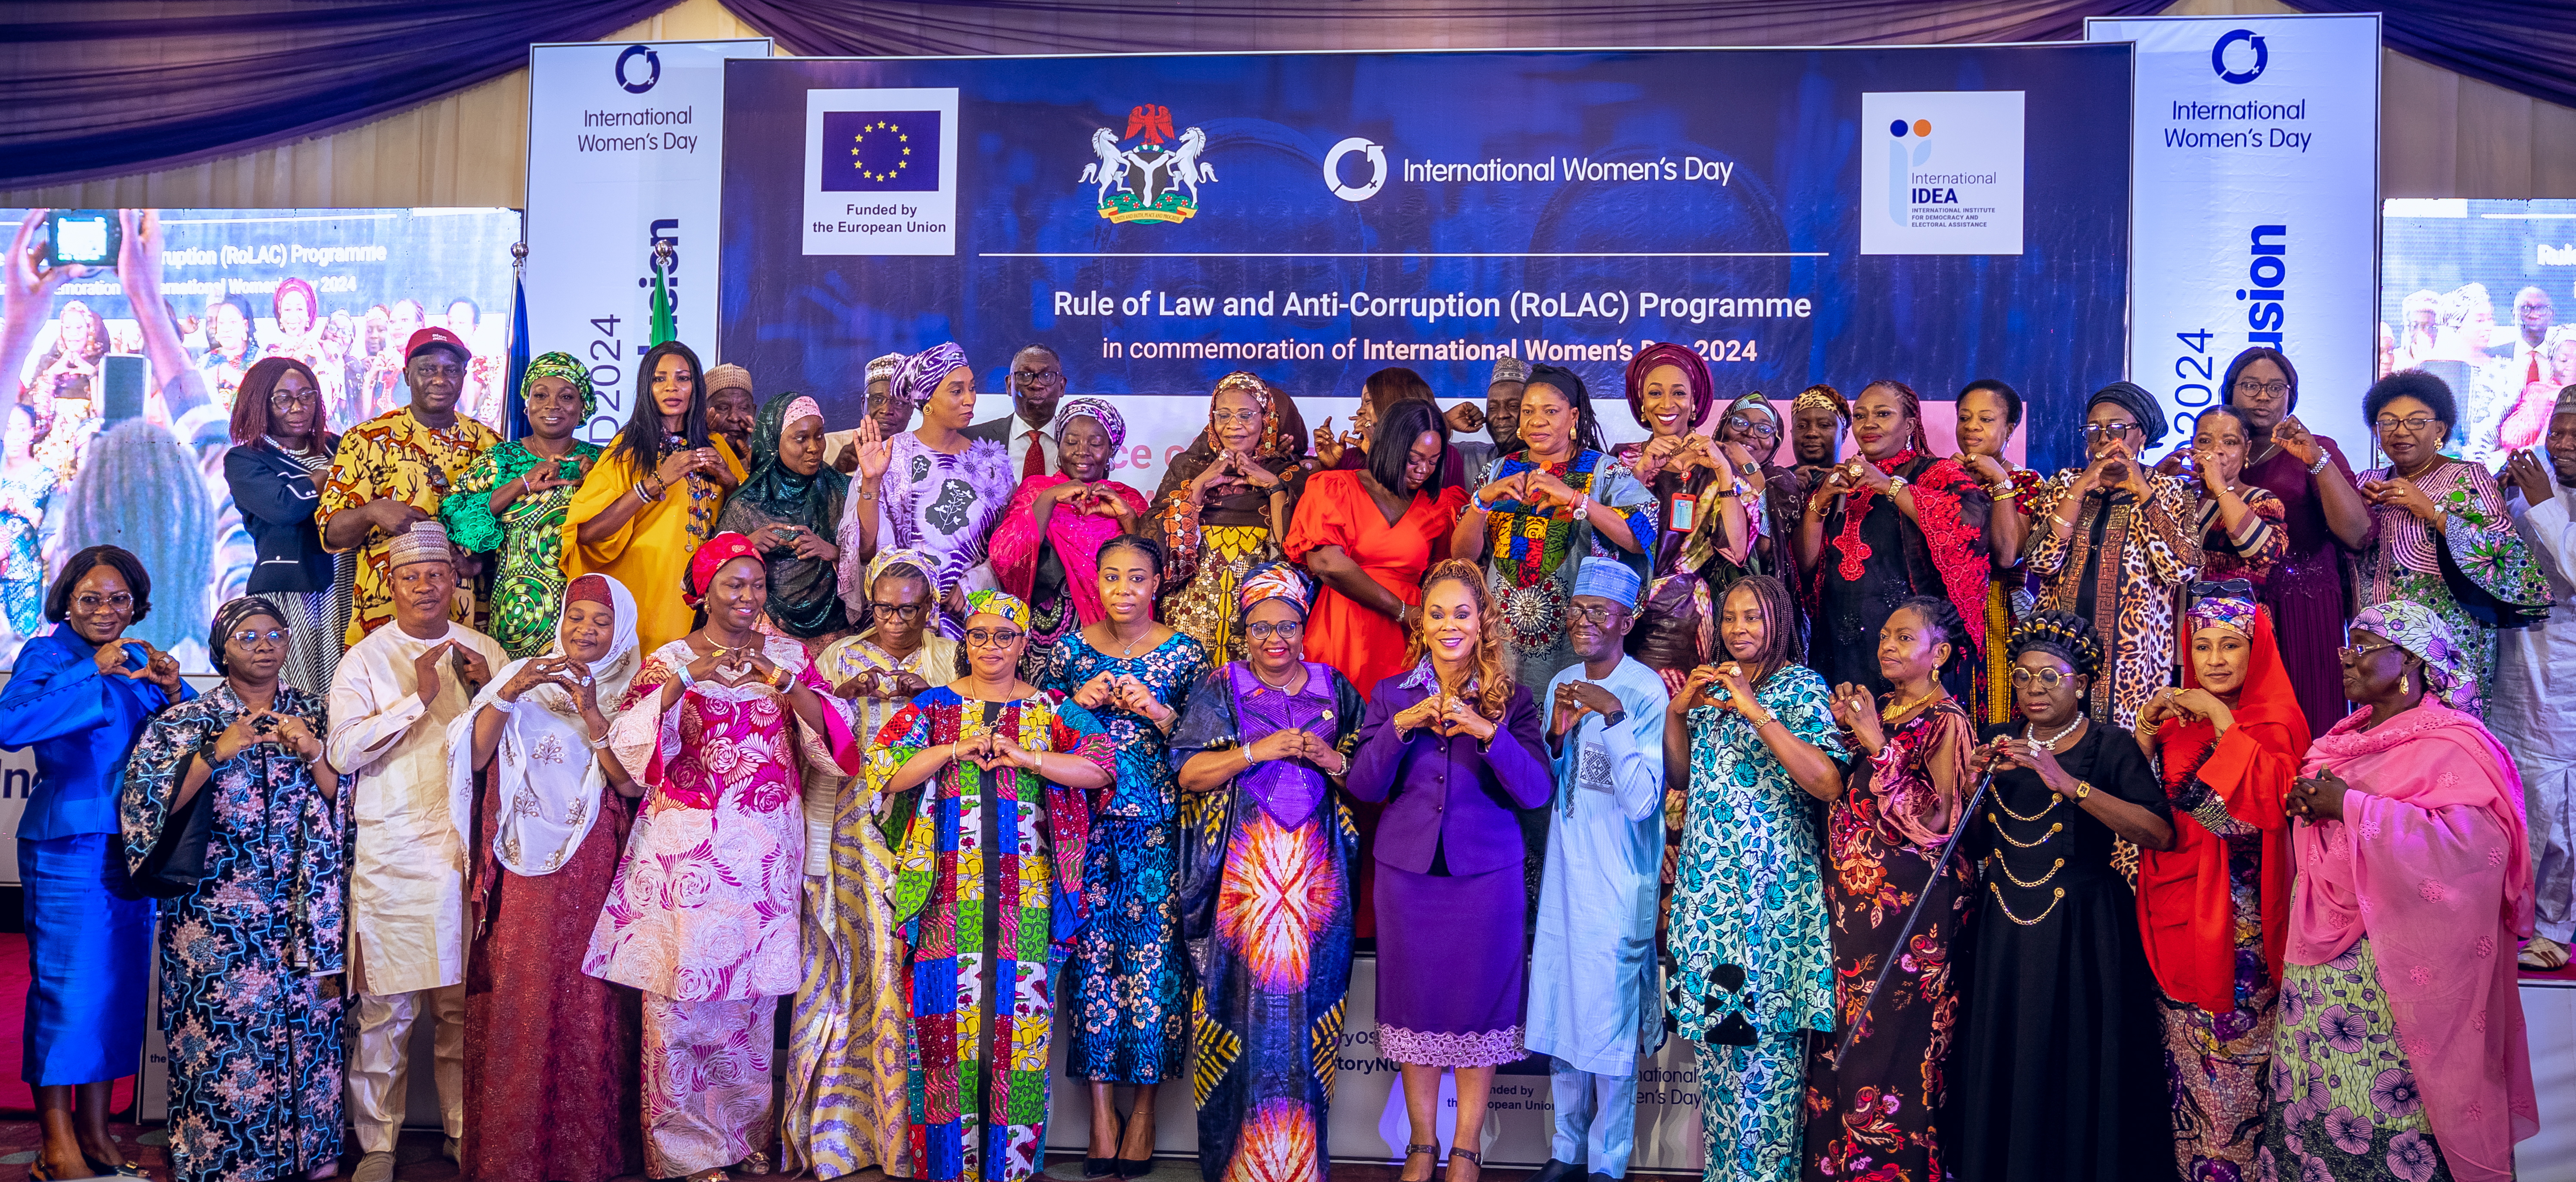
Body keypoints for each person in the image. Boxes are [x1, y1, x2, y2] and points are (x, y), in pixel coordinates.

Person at [583, 533, 864, 1182]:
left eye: (757, 585)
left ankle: (743, 1137)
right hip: (690, 852)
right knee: (683, 1000)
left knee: (750, 1003)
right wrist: (686, 681)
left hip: (766, 852)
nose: (747, 597)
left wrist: (787, 684)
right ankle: (684, 1153)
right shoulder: (672, 658)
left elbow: (837, 741)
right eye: (734, 585)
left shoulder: (788, 655)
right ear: (703, 591)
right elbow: (629, 749)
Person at [2263, 602, 2538, 1182]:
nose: (2346, 658)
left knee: (2383, 1112)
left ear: (2408, 660)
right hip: (2320, 971)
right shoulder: (2338, 742)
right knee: (2318, 1099)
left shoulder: (2455, 745)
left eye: (2361, 646)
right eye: (2347, 645)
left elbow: (2474, 854)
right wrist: (2310, 809)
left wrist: (2348, 807)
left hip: (2392, 979)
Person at [867, 590, 1116, 1182]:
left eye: (1003, 636)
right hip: (942, 897)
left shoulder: (1054, 711)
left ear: (1023, 642)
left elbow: (1101, 767)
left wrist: (1027, 758)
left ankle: (1010, 1170)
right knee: (942, 1037)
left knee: (1018, 1043)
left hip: (1027, 897)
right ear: (965, 643)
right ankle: (947, 1170)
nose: (990, 647)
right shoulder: (932, 708)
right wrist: (952, 749)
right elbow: (884, 770)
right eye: (978, 636)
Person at [118, 596, 346, 1182]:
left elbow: (349, 806)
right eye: (248, 636)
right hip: (216, 921)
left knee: (310, 1032)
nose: (265, 644)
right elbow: (147, 808)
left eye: (275, 633)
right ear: (220, 650)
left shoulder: (318, 714)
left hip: (302, 912)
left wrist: (314, 751)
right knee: (222, 1042)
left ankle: (311, 1152)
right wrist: (217, 752)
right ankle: (221, 1159)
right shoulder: (185, 722)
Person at [1345, 560, 1554, 1182]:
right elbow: (1362, 783)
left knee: (1477, 1007)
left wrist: (1487, 732)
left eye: (1461, 613)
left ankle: (1465, 1150)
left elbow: (1537, 792)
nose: (1448, 625)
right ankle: (1420, 1145)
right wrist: (1403, 727)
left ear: (1482, 621)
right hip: (1406, 876)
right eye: (1436, 613)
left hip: (1485, 878)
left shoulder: (1511, 701)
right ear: (1423, 624)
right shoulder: (1390, 695)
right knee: (1413, 1003)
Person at [1952, 611, 2175, 1182]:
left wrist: (2067, 782)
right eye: (2023, 677)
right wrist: (1970, 789)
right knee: (2011, 1056)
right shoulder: (1998, 741)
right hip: (2004, 924)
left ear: (2081, 681)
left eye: (2049, 677)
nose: (2033, 690)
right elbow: (1976, 846)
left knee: (2075, 1059)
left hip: (2081, 928)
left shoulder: (2109, 745)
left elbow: (2157, 833)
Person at [1168, 564, 1363, 1182]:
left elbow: (1368, 772)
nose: (1274, 639)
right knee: (1232, 1012)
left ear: (1304, 626)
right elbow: (1188, 773)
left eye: (1286, 625)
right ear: (1242, 632)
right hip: (1240, 888)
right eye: (1260, 628)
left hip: (1316, 887)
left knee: (1313, 1017)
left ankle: (1301, 1166)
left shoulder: (1337, 688)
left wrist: (1331, 756)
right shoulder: (1218, 688)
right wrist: (1258, 750)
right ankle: (1237, 1166)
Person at [325, 520, 507, 1182]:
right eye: (410, 576)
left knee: (461, 1013)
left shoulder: (483, 650)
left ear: (454, 581)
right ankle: (377, 1145)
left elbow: (509, 757)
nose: (425, 586)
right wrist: (416, 700)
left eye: (436, 574)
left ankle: (463, 1134)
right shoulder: (366, 659)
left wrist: (491, 688)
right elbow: (342, 752)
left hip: (465, 861)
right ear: (392, 584)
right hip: (394, 857)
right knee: (386, 1012)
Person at [0, 546, 189, 1181]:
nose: (106, 612)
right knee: (68, 994)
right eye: (92, 600)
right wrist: (93, 672)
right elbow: (9, 724)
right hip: (68, 844)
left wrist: (172, 688)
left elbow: (184, 737)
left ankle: (99, 1135)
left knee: (116, 994)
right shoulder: (46, 655)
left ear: (136, 603)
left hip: (132, 847)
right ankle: (57, 1146)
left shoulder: (138, 657)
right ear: (67, 603)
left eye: (119, 600)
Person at [451, 574, 644, 1182]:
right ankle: (512, 1155)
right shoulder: (523, 674)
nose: (585, 630)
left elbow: (630, 784)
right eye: (576, 617)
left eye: (601, 621)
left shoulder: (635, 687)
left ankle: (581, 1157)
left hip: (594, 862)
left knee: (588, 997)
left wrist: (591, 713)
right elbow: (478, 758)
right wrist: (509, 693)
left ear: (623, 631)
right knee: (521, 993)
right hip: (521, 861)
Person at [1032, 534, 1208, 1173]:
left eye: (1137, 578)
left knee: (1154, 970)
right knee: (1091, 969)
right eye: (1112, 577)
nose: (1124, 589)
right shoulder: (1069, 652)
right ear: (1097, 582)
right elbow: (1037, 734)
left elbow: (1209, 742)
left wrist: (1159, 713)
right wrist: (1075, 705)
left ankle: (1144, 1113)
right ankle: (1101, 1116)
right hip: (1085, 828)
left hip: (1159, 828)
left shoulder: (1186, 655)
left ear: (1157, 583)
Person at [1660, 575, 1845, 1182]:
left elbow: (1825, 782)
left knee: (1766, 1071)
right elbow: (1682, 775)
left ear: (1779, 622)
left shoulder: (1799, 688)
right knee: (1722, 1064)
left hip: (1769, 912)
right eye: (1732, 619)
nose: (1740, 631)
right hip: (1713, 911)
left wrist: (1753, 709)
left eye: (1754, 619)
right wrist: (1680, 710)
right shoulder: (1713, 685)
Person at [783, 554, 954, 1182]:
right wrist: (838, 704)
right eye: (884, 608)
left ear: (928, 608)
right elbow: (809, 741)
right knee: (858, 963)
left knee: (917, 965)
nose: (895, 622)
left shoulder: (948, 658)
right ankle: (846, 1133)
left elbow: (972, 719)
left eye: (909, 610)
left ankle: (917, 1138)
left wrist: (929, 698)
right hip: (855, 829)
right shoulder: (838, 658)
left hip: (926, 827)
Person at [2134, 583, 2309, 1176]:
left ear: (2256, 649)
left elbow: (2234, 820)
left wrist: (2217, 719)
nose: (2213, 660)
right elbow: (2152, 820)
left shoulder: (2276, 724)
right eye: (2202, 645)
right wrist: (2141, 741)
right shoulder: (2173, 725)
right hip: (2177, 917)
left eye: (2230, 645)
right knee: (2186, 1084)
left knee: (2235, 1091)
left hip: (2242, 938)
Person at [1806, 596, 1977, 1182]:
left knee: (1892, 1049)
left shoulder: (1947, 721)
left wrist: (1878, 747)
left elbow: (1935, 825)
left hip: (1908, 914)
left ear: (1940, 654)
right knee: (1839, 1042)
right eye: (1883, 635)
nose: (1886, 645)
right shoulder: (1879, 708)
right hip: (1850, 906)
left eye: (1904, 638)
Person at [1524, 561, 1669, 1182]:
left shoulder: (1645, 691)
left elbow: (1640, 803)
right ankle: (1564, 1152)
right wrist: (1556, 740)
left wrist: (1612, 718)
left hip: (1616, 884)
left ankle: (1607, 1165)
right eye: (1577, 610)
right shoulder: (1561, 677)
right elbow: (1553, 789)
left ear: (1626, 622)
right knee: (1563, 1017)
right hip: (1565, 878)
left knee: (1608, 1032)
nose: (1583, 624)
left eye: (1598, 613)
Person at [2353, 370, 2550, 713]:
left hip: (2450, 649)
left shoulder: (2470, 478)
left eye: (2416, 421)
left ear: (2440, 430)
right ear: (2376, 430)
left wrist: (2432, 512)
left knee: (2446, 753)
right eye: (2389, 422)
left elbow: (2511, 562)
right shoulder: (2365, 483)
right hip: (2377, 653)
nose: (2401, 431)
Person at [1449, 364, 1655, 688]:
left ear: (1574, 417)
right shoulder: (1497, 471)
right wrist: (1482, 500)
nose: (1537, 420)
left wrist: (1577, 499)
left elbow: (1639, 536)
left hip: (1576, 640)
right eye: (1527, 410)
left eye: (1551, 411)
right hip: (1501, 646)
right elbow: (1463, 555)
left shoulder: (1605, 471)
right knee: (1503, 729)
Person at [1797, 380, 1991, 703]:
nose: (1869, 423)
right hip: (1837, 642)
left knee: (1907, 741)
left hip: (1909, 645)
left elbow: (1969, 528)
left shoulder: (1935, 473)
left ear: (1910, 424)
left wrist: (1889, 486)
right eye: (1860, 416)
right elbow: (1805, 566)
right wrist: (1820, 504)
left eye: (1883, 414)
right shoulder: (1842, 480)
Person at [2024, 381, 2203, 728]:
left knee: (2123, 755)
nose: (2105, 439)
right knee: (2056, 743)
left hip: (2133, 660)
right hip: (2059, 649)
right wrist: (2078, 491)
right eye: (2094, 430)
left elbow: (2182, 569)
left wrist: (2143, 493)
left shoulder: (2171, 491)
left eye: (2118, 428)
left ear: (2142, 436)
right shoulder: (2062, 484)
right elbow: (2041, 561)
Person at [2219, 346, 2371, 737]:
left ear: (2292, 394)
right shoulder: (2214, 449)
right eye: (2251, 385)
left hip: (2304, 606)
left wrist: (2316, 459)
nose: (2263, 395)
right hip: (2230, 610)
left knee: (2307, 719)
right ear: (2230, 391)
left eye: (2276, 387)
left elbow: (2357, 534)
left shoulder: (2315, 448)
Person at [319, 325, 500, 646]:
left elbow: (506, 534)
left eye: (451, 370)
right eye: (428, 369)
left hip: (467, 616)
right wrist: (371, 512)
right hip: (386, 616)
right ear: (406, 375)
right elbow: (331, 532)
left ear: (464, 375)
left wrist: (478, 561)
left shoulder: (490, 445)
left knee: (467, 696)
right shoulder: (366, 439)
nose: (440, 379)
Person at [566, 340, 746, 653]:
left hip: (711, 597)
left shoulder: (716, 447)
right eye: (659, 379)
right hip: (648, 593)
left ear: (696, 388)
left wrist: (729, 481)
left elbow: (747, 524)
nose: (671, 388)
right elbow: (587, 532)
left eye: (683, 378)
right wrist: (657, 482)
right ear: (646, 387)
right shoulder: (629, 448)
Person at [1286, 396, 1466, 698]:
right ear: (1390, 447)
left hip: (1406, 641)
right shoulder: (1334, 488)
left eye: (1434, 461)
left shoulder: (1440, 506)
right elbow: (1326, 565)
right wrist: (1402, 610)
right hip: (1342, 629)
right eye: (1414, 458)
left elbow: (1447, 576)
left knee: (1397, 729)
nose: (1424, 470)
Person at [844, 343, 1015, 636]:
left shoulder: (991, 464)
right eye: (957, 391)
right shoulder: (889, 456)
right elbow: (865, 550)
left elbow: (1005, 547)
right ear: (927, 399)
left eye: (972, 388)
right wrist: (872, 481)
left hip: (967, 624)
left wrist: (972, 583)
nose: (970, 400)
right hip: (899, 625)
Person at [441, 353, 604, 659]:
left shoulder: (603, 461)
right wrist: (523, 483)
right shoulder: (502, 459)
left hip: (591, 611)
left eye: (566, 396)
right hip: (518, 610)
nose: (552, 405)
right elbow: (455, 516)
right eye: (540, 395)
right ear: (526, 404)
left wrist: (597, 483)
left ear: (584, 407)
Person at [1610, 343, 1750, 694]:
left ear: (1695, 402)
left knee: (1678, 716)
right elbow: (1603, 538)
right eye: (1654, 393)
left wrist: (1722, 473)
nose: (1667, 404)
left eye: (1679, 393)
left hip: (1685, 615)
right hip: (1620, 606)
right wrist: (1639, 475)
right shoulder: (1620, 460)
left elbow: (1738, 549)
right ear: (1641, 404)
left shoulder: (1718, 463)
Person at [1150, 371, 1310, 661]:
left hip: (1259, 626)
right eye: (1223, 415)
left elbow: (1294, 558)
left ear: (1266, 419)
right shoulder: (1187, 468)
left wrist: (1273, 486)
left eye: (1246, 415)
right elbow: (1152, 548)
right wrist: (1199, 485)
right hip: (1188, 622)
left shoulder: (1289, 475)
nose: (1233, 426)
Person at [2497, 389, 2576, 970]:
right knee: (2517, 786)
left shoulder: (2543, 491)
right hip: (2518, 658)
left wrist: (2543, 503)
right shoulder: (2534, 484)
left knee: (2560, 801)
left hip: (2568, 668)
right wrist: (2499, 500)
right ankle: (2513, 919)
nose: (2563, 445)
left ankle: (2553, 925)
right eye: (2558, 432)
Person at [989, 397, 1149, 672]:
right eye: (1071, 442)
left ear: (1111, 450)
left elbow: (1150, 571)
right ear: (1059, 445)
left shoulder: (1127, 499)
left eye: (1096, 444)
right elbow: (1005, 558)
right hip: (1047, 633)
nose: (1082, 452)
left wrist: (1126, 517)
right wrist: (1048, 499)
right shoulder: (1036, 490)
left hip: (1114, 630)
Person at [226, 356, 345, 695]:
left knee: (351, 690)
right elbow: (284, 508)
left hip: (350, 584)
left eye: (307, 396)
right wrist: (328, 476)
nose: (298, 407)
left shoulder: (338, 446)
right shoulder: (246, 459)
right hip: (295, 593)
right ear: (259, 402)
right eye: (284, 398)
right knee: (304, 695)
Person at [715, 391, 852, 646]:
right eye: (801, 438)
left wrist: (832, 551)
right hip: (763, 632)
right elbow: (707, 573)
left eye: (819, 436)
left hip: (836, 632)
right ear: (774, 441)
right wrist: (746, 547)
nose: (814, 447)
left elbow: (876, 559)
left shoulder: (844, 492)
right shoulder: (746, 503)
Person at [1951, 378, 2042, 723]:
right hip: (1946, 615)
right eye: (1965, 417)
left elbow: (2008, 555)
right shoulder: (1941, 477)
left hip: (2001, 614)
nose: (1972, 426)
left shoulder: (2027, 482)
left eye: (1986, 419)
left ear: (2011, 428)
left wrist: (2000, 484)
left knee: (1999, 718)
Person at [2182, 406, 2289, 587]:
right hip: (2172, 615)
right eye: (2205, 440)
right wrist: (2157, 477)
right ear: (2193, 446)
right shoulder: (2183, 494)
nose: (2217, 450)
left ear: (2246, 449)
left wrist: (2219, 486)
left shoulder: (2261, 501)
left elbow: (2267, 556)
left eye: (2230, 442)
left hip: (2234, 615)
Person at [964, 343, 1071, 479]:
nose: (1036, 385)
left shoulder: (1081, 446)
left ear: (1062, 387)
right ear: (1009, 385)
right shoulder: (972, 440)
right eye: (1025, 375)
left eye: (1047, 376)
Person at [828, 352, 913, 475]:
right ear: (863, 404)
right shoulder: (829, 448)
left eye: (899, 403)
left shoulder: (922, 455)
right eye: (878, 400)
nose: (887, 410)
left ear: (911, 410)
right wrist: (836, 472)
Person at [1451, 356, 1528, 480]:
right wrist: (1446, 421)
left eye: (1513, 406)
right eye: (1492, 408)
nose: (1502, 415)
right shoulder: (1471, 456)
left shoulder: (1553, 463)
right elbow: (1414, 449)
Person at [1786, 383, 1848, 495]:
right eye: (1802, 426)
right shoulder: (1776, 481)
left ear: (1843, 436)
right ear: (1792, 434)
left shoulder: (1854, 482)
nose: (1812, 433)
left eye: (1824, 425)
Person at [705, 363, 757, 460]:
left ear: (754, 412)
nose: (735, 418)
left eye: (744, 408)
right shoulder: (689, 462)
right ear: (703, 413)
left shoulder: (766, 465)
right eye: (723, 408)